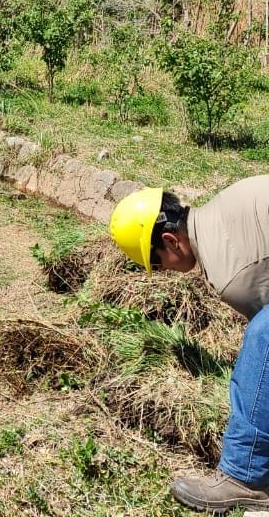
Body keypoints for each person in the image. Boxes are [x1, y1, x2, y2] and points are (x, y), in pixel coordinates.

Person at [110, 177, 269, 513]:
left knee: (263, 336)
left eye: (155, 263)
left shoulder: (233, 274)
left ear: (170, 241)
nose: (162, 272)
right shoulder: (227, 204)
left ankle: (245, 477)